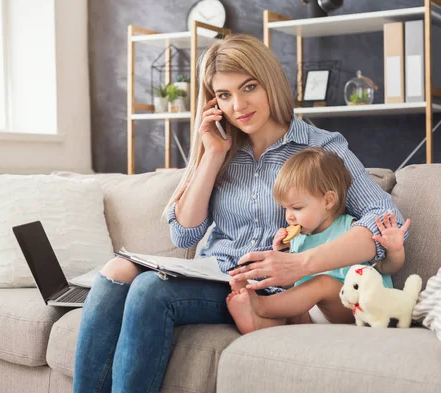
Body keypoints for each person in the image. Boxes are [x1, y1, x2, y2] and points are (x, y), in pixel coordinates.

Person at [73, 34, 408, 393]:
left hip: (263, 287)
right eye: (224, 95)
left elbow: (382, 216)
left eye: (249, 87)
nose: (238, 105)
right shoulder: (222, 147)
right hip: (211, 270)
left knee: (149, 291)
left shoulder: (321, 147)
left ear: (270, 82)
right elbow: (184, 234)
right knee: (117, 270)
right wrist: (212, 154)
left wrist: (302, 263)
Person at [226, 147, 411, 333]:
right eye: (285, 209)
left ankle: (261, 305)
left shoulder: (351, 230)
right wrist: (282, 254)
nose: (289, 216)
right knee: (296, 310)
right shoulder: (299, 239)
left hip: (362, 307)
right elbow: (293, 285)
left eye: (296, 208)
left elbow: (386, 268)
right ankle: (258, 325)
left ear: (328, 201)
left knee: (322, 283)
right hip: (320, 313)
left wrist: (395, 251)